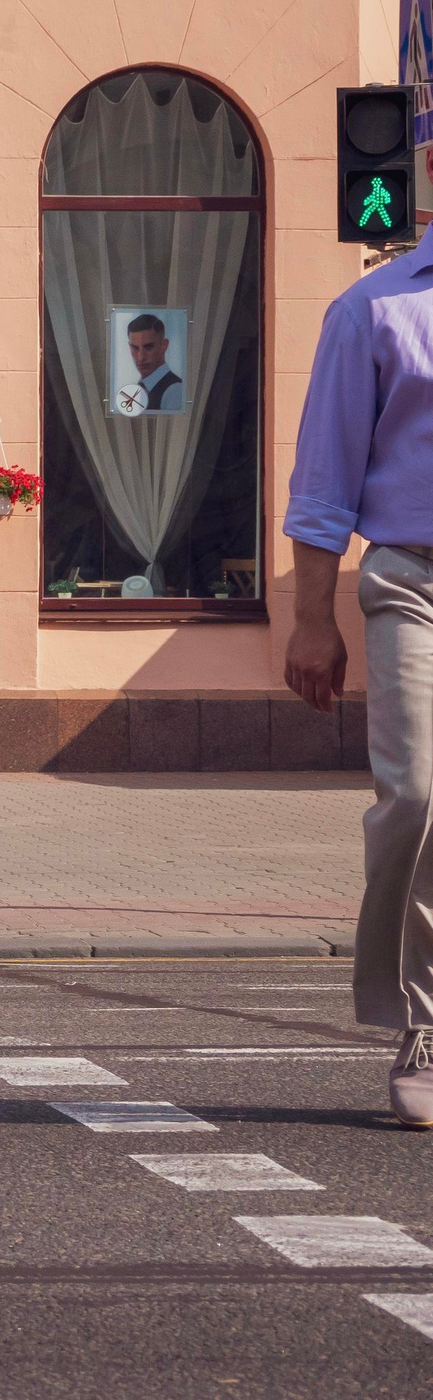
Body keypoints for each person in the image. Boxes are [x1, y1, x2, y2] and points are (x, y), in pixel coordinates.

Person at [283, 231, 433, 1129]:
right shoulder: (370, 308)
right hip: (414, 582)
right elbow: (324, 477)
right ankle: (425, 1022)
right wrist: (312, 617)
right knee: (416, 795)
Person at [125, 313, 185, 414]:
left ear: (164, 345)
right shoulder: (139, 388)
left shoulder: (174, 391)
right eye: (135, 348)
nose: (141, 357)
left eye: (148, 347)